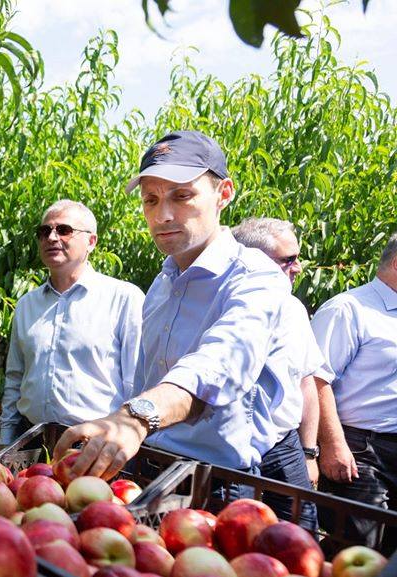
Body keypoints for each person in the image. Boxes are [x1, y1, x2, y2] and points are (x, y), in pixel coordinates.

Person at [53, 131, 296, 485]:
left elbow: (219, 365)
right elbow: (144, 378)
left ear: (223, 193)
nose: (163, 215)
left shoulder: (255, 277)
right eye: (150, 200)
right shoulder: (162, 284)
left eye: (182, 196)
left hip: (216, 483)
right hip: (152, 470)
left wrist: (136, 418)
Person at [0, 200, 144, 447]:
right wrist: (6, 439)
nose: (51, 238)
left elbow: (136, 382)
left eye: (64, 230)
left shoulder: (123, 298)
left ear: (91, 242)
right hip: (31, 440)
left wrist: (127, 441)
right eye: (44, 231)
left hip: (95, 443)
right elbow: (15, 378)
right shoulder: (27, 305)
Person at [310, 232, 397, 551]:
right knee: (360, 545)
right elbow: (316, 379)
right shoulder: (348, 309)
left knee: (389, 553)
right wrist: (332, 444)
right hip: (361, 447)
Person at [231, 217, 321, 528]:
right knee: (236, 537)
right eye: (289, 260)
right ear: (255, 259)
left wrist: (309, 453)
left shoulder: (294, 309)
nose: (298, 268)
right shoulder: (223, 304)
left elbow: (306, 381)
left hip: (283, 446)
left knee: (302, 534)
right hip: (231, 450)